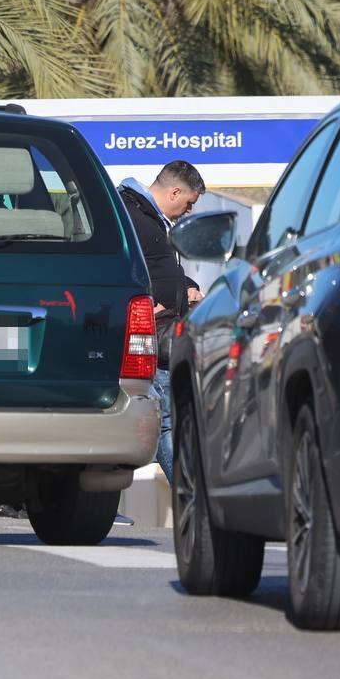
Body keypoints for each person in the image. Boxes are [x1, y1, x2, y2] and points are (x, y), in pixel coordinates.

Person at [119, 159, 204, 469]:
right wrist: (146, 300)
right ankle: (191, 496)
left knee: (170, 420)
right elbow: (124, 267)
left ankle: (191, 497)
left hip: (163, 330)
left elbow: (159, 269)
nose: (188, 211)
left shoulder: (152, 219)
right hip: (149, 332)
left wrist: (188, 289)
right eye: (189, 203)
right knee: (166, 423)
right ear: (175, 191)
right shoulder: (130, 214)